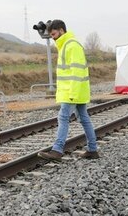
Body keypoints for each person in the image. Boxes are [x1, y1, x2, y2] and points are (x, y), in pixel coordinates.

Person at [38, 19, 99, 161]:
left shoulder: (71, 45)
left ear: (61, 30)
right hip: (75, 91)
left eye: (53, 34)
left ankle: (57, 150)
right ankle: (93, 149)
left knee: (63, 117)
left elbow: (77, 72)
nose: (52, 37)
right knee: (84, 118)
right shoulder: (66, 45)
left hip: (72, 92)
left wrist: (73, 93)